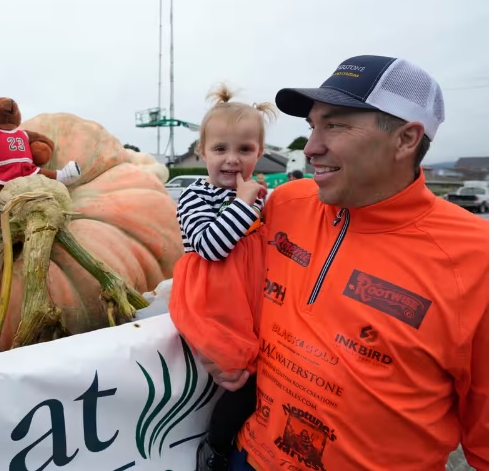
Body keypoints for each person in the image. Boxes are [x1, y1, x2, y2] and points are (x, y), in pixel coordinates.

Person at [170, 55, 489, 471]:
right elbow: (214, 271)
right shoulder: (282, 203)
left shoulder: (477, 259)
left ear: (406, 139)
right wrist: (204, 339)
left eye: (335, 125)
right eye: (312, 126)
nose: (312, 146)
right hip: (247, 457)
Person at [172, 84, 277, 471]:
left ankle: (245, 440)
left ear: (259, 153)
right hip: (214, 300)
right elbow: (211, 246)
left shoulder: (260, 198)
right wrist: (244, 203)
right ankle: (215, 448)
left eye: (245, 150)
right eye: (220, 149)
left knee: (266, 378)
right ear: (202, 153)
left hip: (250, 298)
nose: (232, 160)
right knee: (240, 380)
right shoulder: (196, 196)